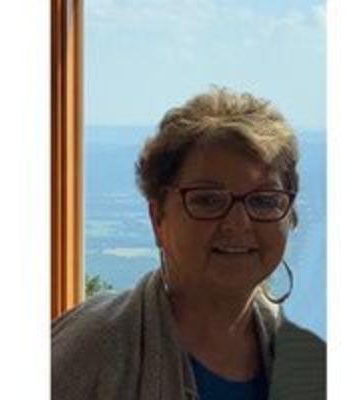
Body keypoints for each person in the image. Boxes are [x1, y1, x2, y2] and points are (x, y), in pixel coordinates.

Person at [52, 88, 326, 400]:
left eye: (264, 200)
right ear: (158, 217)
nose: (238, 223)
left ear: (289, 216)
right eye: (208, 199)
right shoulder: (93, 348)